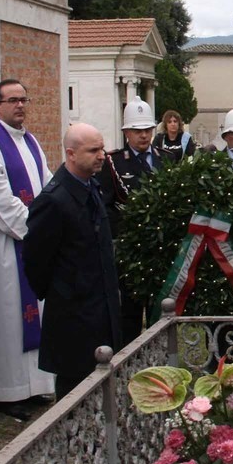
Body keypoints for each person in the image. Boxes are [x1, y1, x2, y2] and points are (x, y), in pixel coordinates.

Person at [0, 79, 54, 419]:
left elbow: (47, 187)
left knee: (35, 315)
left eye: (23, 99)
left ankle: (34, 385)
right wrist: (35, 228)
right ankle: (4, 390)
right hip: (4, 248)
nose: (20, 106)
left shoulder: (31, 141)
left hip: (31, 244)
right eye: (12, 100)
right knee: (5, 319)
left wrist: (47, 222)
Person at [24, 123, 122, 399]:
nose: (102, 155)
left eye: (102, 148)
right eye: (93, 150)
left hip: (101, 308)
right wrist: (63, 292)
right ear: (71, 154)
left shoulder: (92, 188)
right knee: (75, 393)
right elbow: (36, 262)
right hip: (73, 316)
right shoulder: (53, 201)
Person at [98, 96, 165, 343]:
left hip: (160, 248)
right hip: (131, 250)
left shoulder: (165, 158)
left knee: (160, 310)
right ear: (127, 133)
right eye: (137, 131)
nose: (143, 136)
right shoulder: (113, 163)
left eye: (147, 130)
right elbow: (107, 207)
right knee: (130, 312)